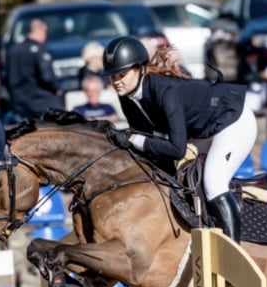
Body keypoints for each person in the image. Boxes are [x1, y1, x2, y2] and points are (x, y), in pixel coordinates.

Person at [102, 35, 256, 243]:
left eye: (121, 74)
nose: (116, 82)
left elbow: (176, 149)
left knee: (213, 183)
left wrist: (133, 140)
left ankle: (234, 252)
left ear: (140, 69)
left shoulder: (165, 91)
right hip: (205, 131)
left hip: (233, 121)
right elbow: (146, 141)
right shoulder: (127, 97)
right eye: (112, 77)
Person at [6, 18, 64, 121]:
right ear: (40, 30)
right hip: (40, 103)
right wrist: (57, 89)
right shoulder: (40, 50)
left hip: (19, 104)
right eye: (46, 32)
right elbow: (47, 77)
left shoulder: (13, 51)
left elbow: (5, 77)